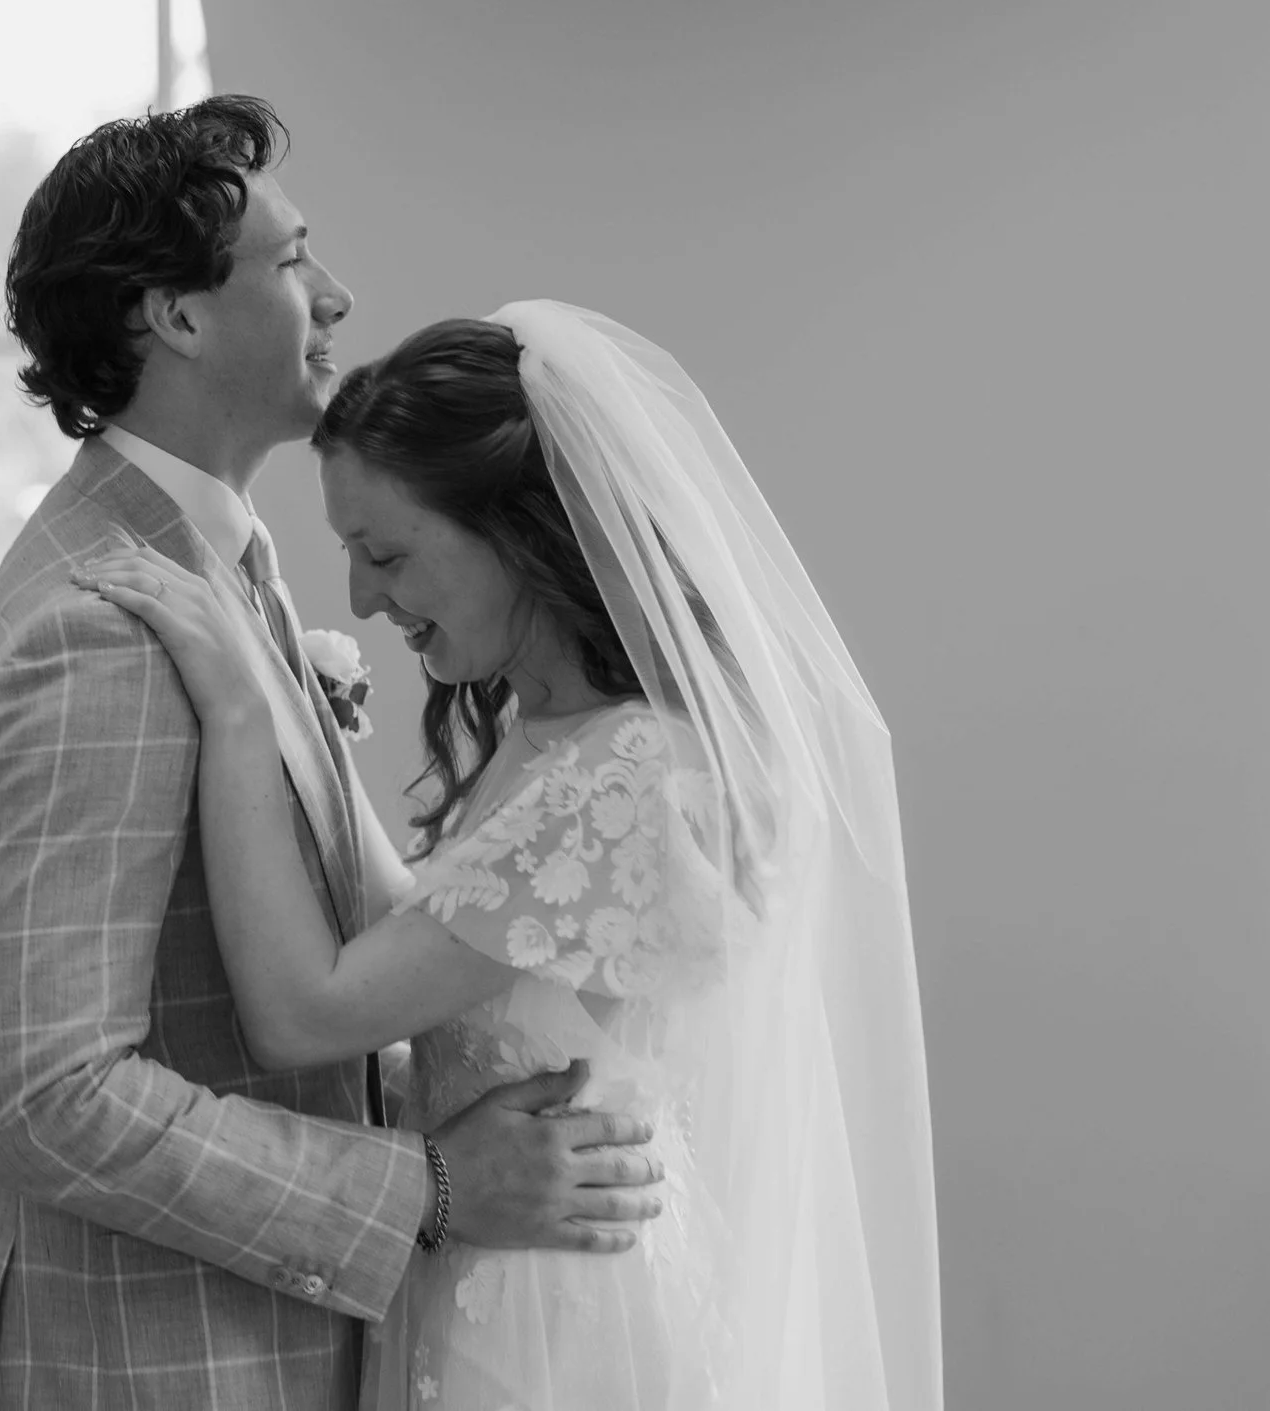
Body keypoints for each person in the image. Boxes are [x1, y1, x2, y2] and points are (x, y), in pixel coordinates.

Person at [82, 303, 943, 1408]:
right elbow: (437, 931)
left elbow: (308, 1010)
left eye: (385, 552)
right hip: (496, 1269)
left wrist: (245, 718)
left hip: (554, 1321)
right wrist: (302, 709)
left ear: (523, 531)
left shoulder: (632, 770)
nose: (360, 596)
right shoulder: (552, 736)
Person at [0, 98, 666, 1411]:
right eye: (289, 260)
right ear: (175, 312)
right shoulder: (101, 624)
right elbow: (47, 1092)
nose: (335, 294)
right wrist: (432, 1186)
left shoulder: (229, 567)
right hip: (163, 1361)